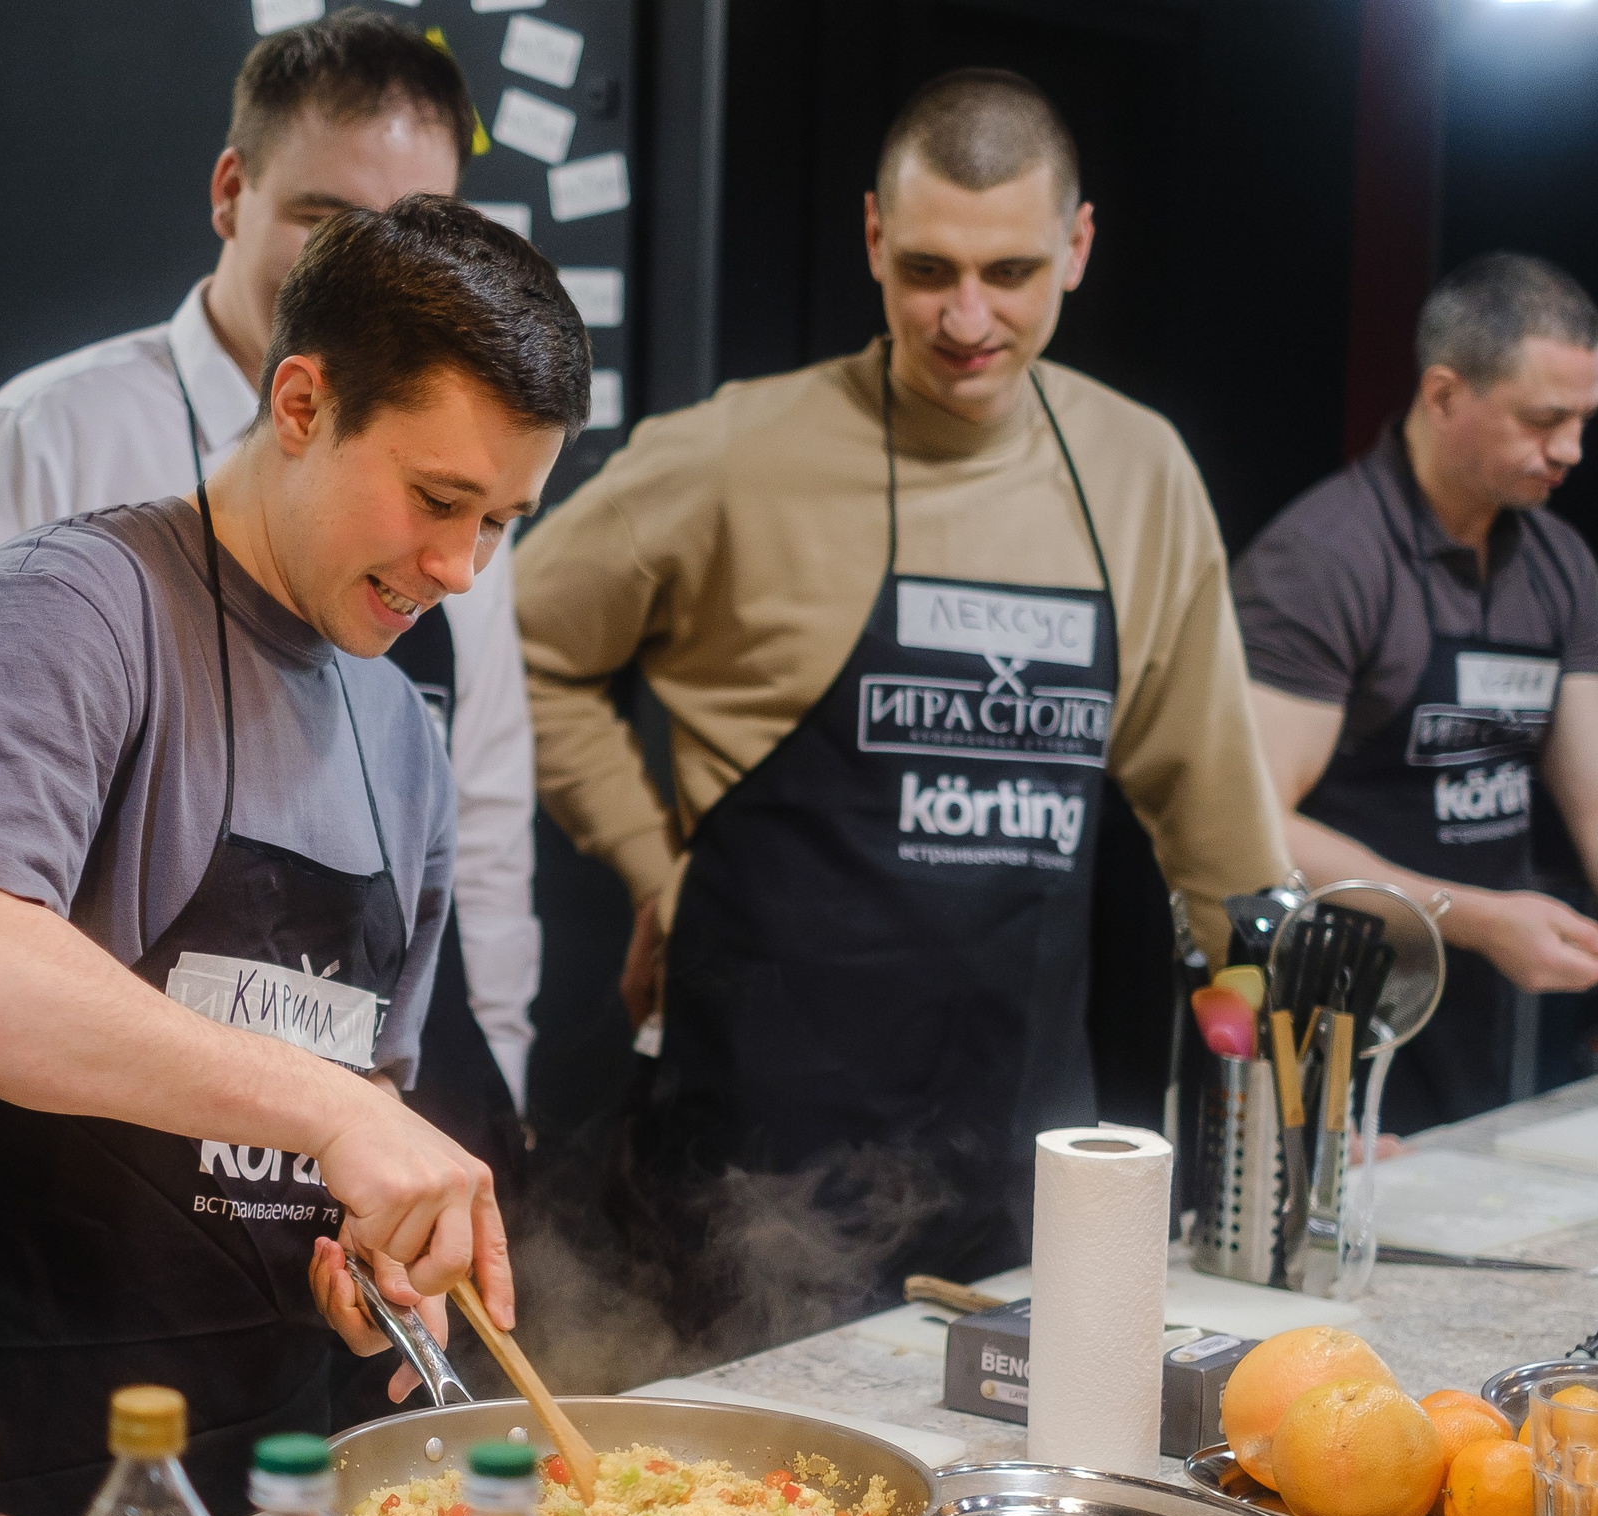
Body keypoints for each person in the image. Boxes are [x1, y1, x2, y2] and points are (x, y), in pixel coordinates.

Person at [0, 196, 591, 1516]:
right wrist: (331, 1108)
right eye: (438, 499)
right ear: (300, 400)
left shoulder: (400, 732)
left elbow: (342, 1103)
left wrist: (369, 1255)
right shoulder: (73, 606)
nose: (459, 568)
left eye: (502, 521)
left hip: (247, 1467)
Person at [513, 71, 1287, 1345]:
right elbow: (513, 638)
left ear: (1078, 249)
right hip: (756, 1179)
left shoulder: (1137, 471)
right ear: (871, 236)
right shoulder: (737, 454)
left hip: (1023, 1166)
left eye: (1011, 273)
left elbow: (1213, 812)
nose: (966, 318)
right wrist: (653, 866)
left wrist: (1280, 1076)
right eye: (927, 269)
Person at [0, 10, 537, 1201]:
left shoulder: (401, 701)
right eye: (340, 225)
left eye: (493, 523)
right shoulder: (64, 519)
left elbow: (475, 842)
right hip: (32, 1262)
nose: (457, 565)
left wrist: (398, 1167)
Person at [1233, 254, 1598, 1134]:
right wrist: (1471, 918)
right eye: (1545, 420)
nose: (1572, 449)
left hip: (1478, 1031)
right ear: (1442, 394)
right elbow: (1251, 825)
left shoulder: (1557, 565)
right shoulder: (1322, 562)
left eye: (1585, 418)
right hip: (1325, 1039)